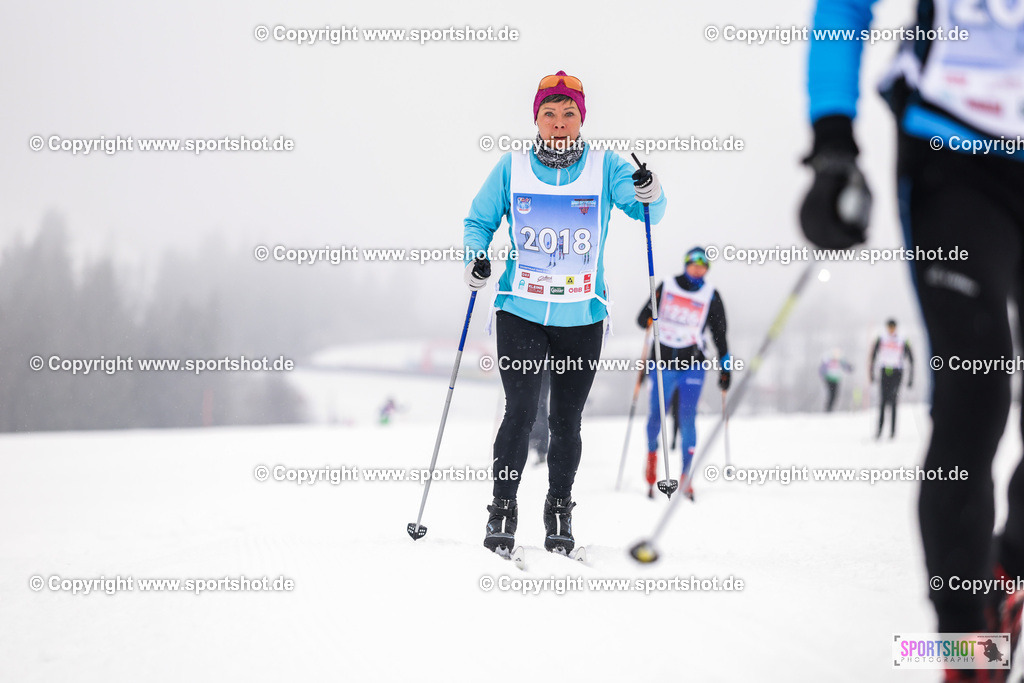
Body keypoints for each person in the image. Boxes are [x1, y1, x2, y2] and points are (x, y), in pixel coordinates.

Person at [801, 2, 1024, 678]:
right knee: (974, 392)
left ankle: (1009, 568)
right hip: (950, 151)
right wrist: (832, 137)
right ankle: (965, 649)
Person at [463, 71, 667, 555]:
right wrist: (477, 256)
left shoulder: (606, 166)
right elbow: (479, 221)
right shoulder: (512, 166)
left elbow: (648, 216)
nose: (559, 123)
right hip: (521, 310)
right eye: (549, 114)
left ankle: (559, 507)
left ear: (581, 119)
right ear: (536, 117)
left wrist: (650, 189)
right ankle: (502, 507)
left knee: (566, 421)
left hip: (582, 315)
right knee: (519, 412)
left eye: (568, 114)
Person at [636, 246, 729, 501]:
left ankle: (686, 476)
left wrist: (725, 366)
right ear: (686, 264)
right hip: (662, 363)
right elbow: (641, 318)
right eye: (693, 264)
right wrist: (649, 315)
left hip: (693, 365)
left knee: (688, 417)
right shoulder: (666, 286)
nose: (698, 269)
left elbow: (720, 334)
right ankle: (652, 459)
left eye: (703, 266)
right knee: (656, 416)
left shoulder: (711, 294)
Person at [869, 319, 914, 438]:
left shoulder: (902, 339)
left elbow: (911, 358)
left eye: (893, 327)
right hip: (884, 370)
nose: (891, 330)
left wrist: (911, 378)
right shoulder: (881, 338)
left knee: (894, 400)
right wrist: (871, 373)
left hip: (897, 371)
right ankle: (879, 431)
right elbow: (873, 355)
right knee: (883, 401)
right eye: (889, 327)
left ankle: (892, 432)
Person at [819, 348, 853, 413]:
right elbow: (822, 369)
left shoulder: (840, 361)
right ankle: (828, 409)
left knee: (835, 395)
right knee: (831, 394)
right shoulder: (828, 360)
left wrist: (850, 368)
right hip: (829, 379)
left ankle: (830, 409)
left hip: (836, 380)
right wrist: (823, 376)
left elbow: (846, 366)